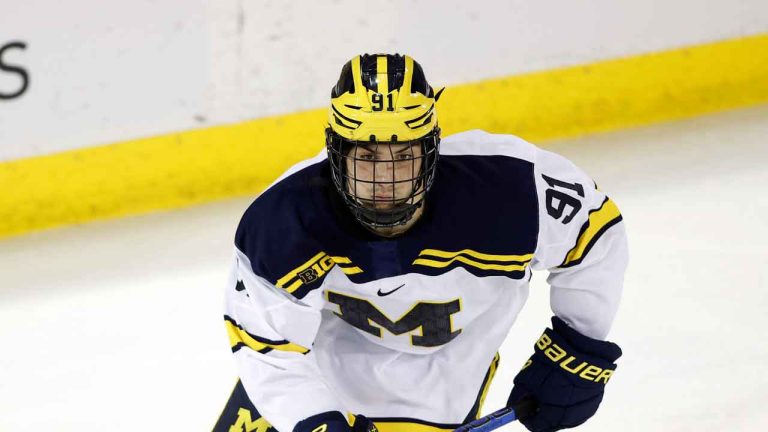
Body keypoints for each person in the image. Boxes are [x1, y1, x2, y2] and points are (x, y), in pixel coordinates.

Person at [214, 54, 627, 432]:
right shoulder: (283, 223)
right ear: (336, 153)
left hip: (441, 380)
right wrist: (314, 421)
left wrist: (579, 347)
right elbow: (267, 348)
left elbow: (593, 234)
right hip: (320, 370)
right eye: (367, 155)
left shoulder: (510, 188)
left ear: (431, 149)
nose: (385, 180)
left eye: (403, 154)